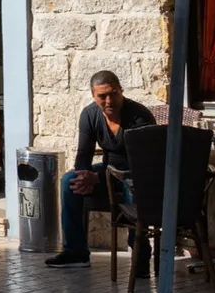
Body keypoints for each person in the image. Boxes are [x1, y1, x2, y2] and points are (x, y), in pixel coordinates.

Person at [45, 70, 157, 270]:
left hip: (136, 173)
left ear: (121, 91)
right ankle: (76, 252)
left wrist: (97, 178)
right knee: (69, 182)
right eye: (102, 96)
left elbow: (143, 162)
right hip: (108, 172)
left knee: (133, 188)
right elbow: (83, 154)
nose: (109, 101)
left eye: (113, 94)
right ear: (93, 95)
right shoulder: (89, 114)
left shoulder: (139, 116)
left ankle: (140, 255)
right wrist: (84, 176)